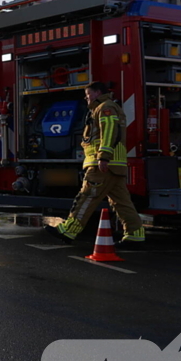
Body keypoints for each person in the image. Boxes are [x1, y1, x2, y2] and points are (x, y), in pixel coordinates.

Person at [45, 82, 145, 247]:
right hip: (114, 166)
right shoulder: (105, 108)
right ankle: (135, 234)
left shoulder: (105, 108)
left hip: (103, 165)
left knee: (87, 197)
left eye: (88, 94)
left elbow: (110, 130)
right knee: (121, 202)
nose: (86, 97)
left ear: (98, 92)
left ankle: (69, 230)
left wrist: (103, 157)